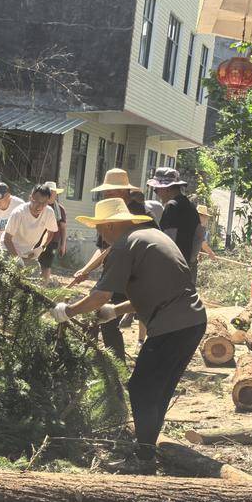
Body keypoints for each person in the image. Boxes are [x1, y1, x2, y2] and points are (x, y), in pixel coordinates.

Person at [51, 197, 207, 471]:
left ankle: (144, 458)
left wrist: (68, 311)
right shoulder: (150, 237)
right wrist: (116, 310)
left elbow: (99, 295)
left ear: (111, 225)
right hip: (192, 321)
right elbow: (155, 291)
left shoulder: (124, 246)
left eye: (100, 228)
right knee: (158, 389)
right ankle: (147, 447)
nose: (100, 234)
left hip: (171, 325)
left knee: (141, 388)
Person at [70, 169, 153, 362]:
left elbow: (125, 245)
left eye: (111, 193)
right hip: (114, 270)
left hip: (134, 273)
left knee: (104, 310)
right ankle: (95, 361)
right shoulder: (107, 211)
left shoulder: (138, 213)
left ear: (124, 191)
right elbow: (103, 248)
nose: (107, 196)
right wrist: (86, 269)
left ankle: (117, 365)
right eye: (105, 193)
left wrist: (69, 310)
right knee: (99, 314)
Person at [150, 167, 200, 264]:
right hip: (186, 263)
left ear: (167, 188)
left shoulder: (172, 206)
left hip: (172, 265)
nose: (156, 193)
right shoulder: (189, 205)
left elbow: (167, 242)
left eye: (156, 190)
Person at [0, 184, 59, 266]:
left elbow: (50, 231)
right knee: (10, 275)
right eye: (37, 202)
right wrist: (16, 258)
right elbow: (7, 239)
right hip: (8, 249)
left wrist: (41, 247)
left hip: (27, 253)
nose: (39, 206)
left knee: (34, 275)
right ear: (30, 198)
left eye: (44, 203)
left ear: (48, 201)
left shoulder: (49, 212)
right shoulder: (18, 213)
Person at [38, 181, 68, 284]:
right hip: (37, 239)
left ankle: (43, 286)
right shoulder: (39, 206)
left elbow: (63, 228)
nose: (52, 195)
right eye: (50, 192)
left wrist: (63, 245)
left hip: (53, 241)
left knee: (47, 264)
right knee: (36, 262)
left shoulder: (60, 209)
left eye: (53, 193)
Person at [189, 204, 217, 284]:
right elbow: (202, 243)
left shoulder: (195, 225)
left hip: (190, 259)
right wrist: (211, 253)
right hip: (188, 260)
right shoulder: (198, 227)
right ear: (199, 216)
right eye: (204, 216)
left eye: (206, 217)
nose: (206, 219)